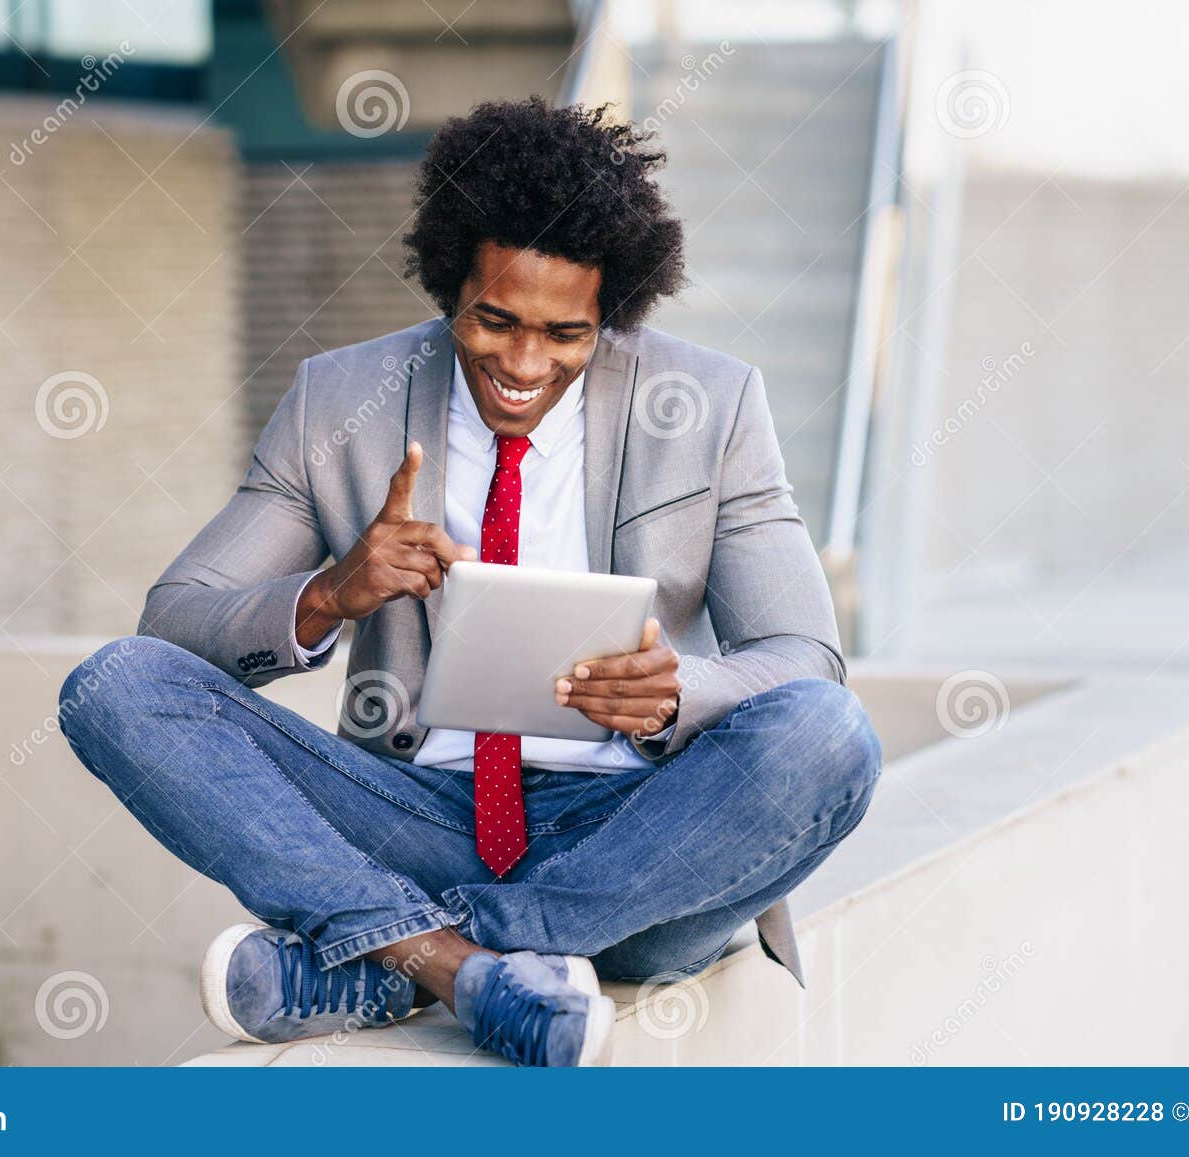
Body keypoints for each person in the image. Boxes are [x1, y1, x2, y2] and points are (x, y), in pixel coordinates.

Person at [58, 97, 882, 1067]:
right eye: (494, 320)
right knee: (113, 685)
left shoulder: (710, 404)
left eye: (565, 334)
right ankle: (470, 963)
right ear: (449, 281)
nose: (524, 364)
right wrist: (330, 593)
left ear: (609, 311)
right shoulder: (340, 401)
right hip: (419, 815)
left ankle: (402, 956)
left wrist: (674, 693)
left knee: (830, 735)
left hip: (638, 844)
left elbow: (805, 657)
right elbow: (173, 625)